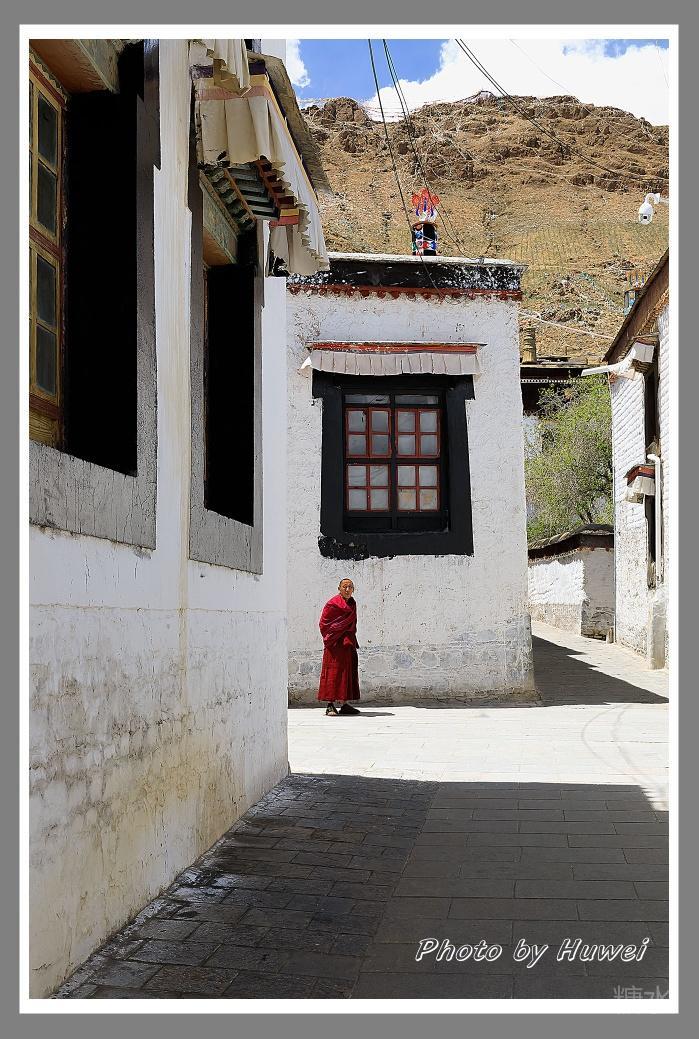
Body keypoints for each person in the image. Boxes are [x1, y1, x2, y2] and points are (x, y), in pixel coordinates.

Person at [317, 578, 361, 716]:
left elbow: (352, 623)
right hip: (334, 644)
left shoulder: (352, 603)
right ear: (339, 589)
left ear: (353, 589)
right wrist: (336, 632)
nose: (347, 590)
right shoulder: (333, 604)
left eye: (350, 587)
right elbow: (324, 624)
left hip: (347, 642)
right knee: (333, 672)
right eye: (344, 587)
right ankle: (330, 705)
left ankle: (344, 704)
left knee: (347, 672)